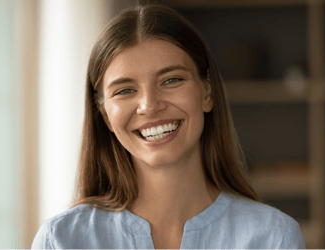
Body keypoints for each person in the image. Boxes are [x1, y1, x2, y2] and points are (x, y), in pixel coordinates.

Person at [32, 3, 306, 250]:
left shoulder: (274, 237)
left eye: (171, 80)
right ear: (105, 116)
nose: (149, 106)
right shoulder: (60, 240)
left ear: (207, 92)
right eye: (125, 90)